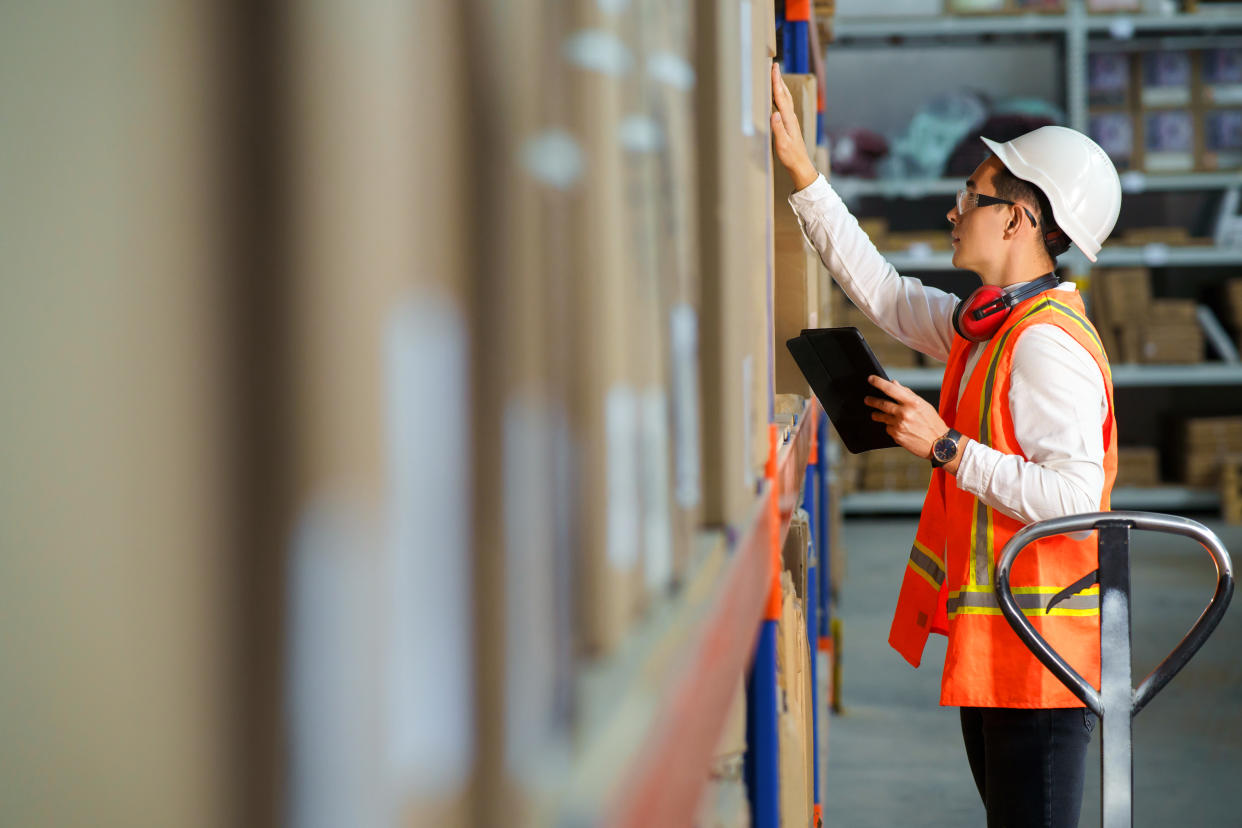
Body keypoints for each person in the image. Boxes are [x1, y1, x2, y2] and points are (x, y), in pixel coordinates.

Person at [771, 63, 1122, 828]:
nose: (955, 207)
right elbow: (891, 297)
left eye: (973, 194)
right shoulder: (991, 325)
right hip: (1004, 650)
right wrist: (804, 176)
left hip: (1043, 663)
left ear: (1020, 220)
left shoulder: (1044, 346)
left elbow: (1074, 498)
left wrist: (947, 448)